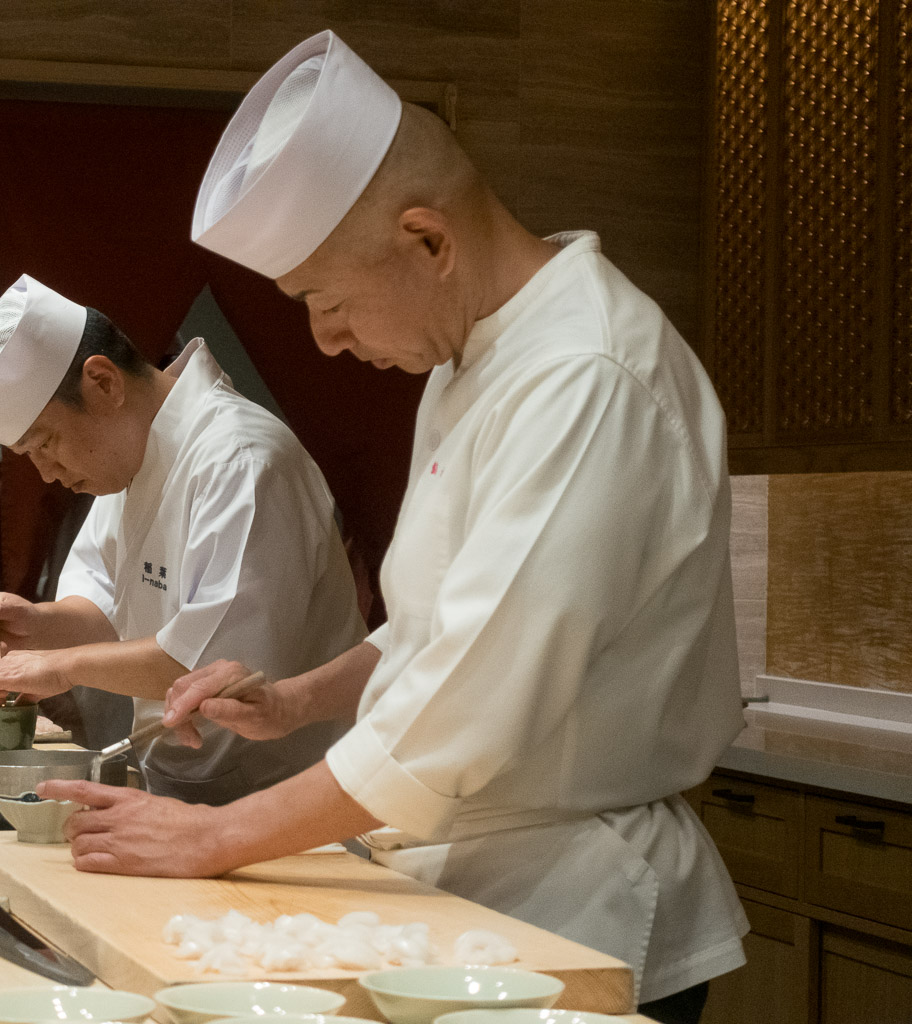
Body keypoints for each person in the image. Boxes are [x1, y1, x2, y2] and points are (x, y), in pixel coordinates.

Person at [38, 31, 747, 1024]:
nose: (324, 340)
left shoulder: (586, 373)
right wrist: (298, 699)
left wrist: (216, 833)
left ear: (426, 240)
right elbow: (437, 623)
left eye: (325, 302)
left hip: (582, 909)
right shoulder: (468, 362)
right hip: (464, 893)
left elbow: (469, 703)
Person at [0, 274, 365, 804]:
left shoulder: (240, 459)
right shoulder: (126, 462)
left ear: (103, 383)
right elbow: (107, 607)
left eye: (47, 443)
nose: (47, 473)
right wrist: (40, 626)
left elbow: (211, 667)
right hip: (183, 788)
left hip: (286, 794)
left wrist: (57, 665)